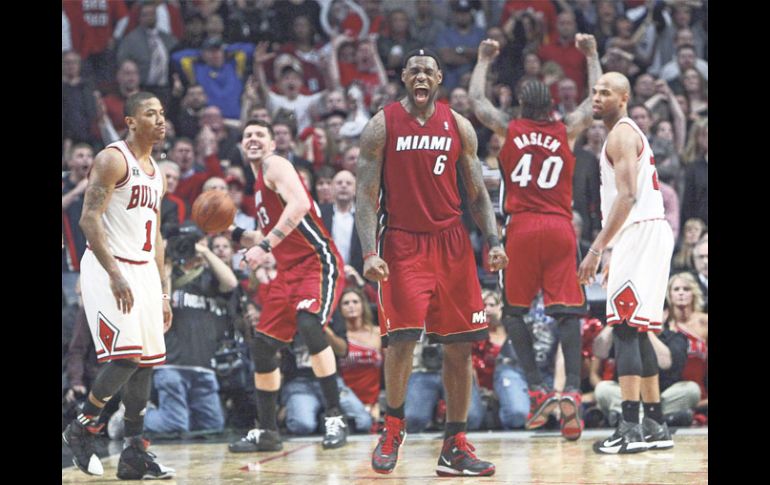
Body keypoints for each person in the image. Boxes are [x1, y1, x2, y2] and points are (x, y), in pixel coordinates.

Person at [356, 47, 508, 477]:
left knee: (459, 347)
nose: (421, 76)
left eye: (429, 71)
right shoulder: (380, 125)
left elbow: (477, 193)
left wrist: (494, 240)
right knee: (402, 340)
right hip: (403, 242)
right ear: (404, 76)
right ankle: (393, 427)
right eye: (414, 70)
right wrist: (370, 252)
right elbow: (366, 197)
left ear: (439, 78)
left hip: (453, 243)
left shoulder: (459, 125)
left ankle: (455, 445)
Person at [469, 33, 601, 441]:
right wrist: (592, 55)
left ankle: (538, 388)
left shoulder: (509, 128)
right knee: (568, 314)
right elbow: (592, 101)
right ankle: (575, 393)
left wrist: (483, 60)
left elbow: (476, 103)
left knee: (513, 312)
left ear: (523, 106)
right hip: (561, 228)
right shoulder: (567, 129)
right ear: (551, 107)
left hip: (522, 228)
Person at [62, 92, 175, 479]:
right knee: (126, 357)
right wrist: (114, 273)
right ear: (129, 121)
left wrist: (162, 292)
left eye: (162, 114)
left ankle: (133, 452)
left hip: (143, 269)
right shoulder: (113, 158)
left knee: (145, 365)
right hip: (110, 266)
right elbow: (89, 220)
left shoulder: (156, 170)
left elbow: (157, 237)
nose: (160, 120)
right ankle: (82, 428)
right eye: (150, 114)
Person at [228, 119, 348, 453]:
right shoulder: (258, 186)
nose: (252, 138)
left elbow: (300, 207)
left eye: (259, 135)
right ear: (241, 144)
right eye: (247, 134)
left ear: (271, 143)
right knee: (264, 346)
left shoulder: (275, 165)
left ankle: (335, 416)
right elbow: (274, 233)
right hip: (288, 270)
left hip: (317, 261)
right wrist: (238, 235)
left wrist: (263, 248)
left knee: (310, 324)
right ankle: (267, 431)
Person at [577, 72, 675, 455]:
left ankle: (629, 426)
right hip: (645, 234)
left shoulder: (619, 133)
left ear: (625, 97)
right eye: (594, 91)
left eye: (605, 92)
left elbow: (627, 197)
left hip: (639, 233)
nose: (597, 97)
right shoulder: (624, 132)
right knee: (638, 327)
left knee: (625, 329)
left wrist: (598, 248)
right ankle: (655, 423)